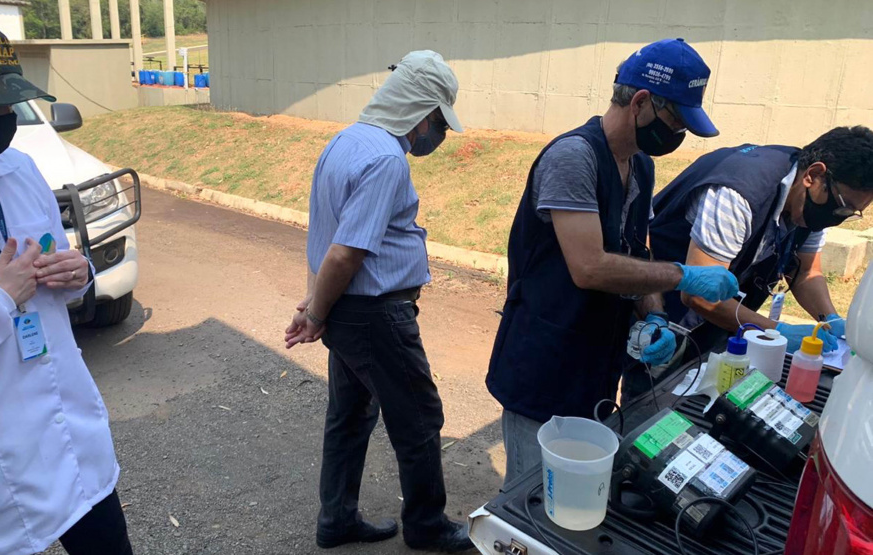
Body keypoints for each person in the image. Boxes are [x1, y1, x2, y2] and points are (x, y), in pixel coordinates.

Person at [486, 38, 739, 489]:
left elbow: (633, 251)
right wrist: (684, 274)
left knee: (577, 486)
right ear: (641, 101)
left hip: (594, 362)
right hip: (545, 359)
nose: (677, 136)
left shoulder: (639, 165)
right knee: (527, 498)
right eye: (675, 121)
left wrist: (656, 314)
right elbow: (591, 267)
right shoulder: (573, 158)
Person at [283, 50, 474, 552]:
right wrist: (316, 313)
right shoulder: (387, 158)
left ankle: (336, 519)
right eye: (440, 123)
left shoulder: (343, 140)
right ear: (422, 113)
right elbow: (344, 253)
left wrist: (315, 305)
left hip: (347, 311)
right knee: (419, 416)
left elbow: (322, 236)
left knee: (350, 413)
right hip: (373, 314)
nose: (440, 135)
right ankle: (427, 526)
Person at [0, 9, 132, 555]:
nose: (3, 113)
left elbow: (61, 262)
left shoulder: (20, 170)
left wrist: (78, 274)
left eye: (8, 97)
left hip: (67, 433)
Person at [646, 126, 873, 361]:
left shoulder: (809, 204)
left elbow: (806, 272)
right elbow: (698, 296)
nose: (838, 218)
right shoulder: (739, 192)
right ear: (813, 176)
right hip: (665, 317)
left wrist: (830, 320)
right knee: (658, 391)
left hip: (726, 322)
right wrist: (776, 332)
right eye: (842, 206)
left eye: (851, 213)